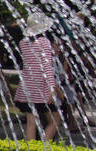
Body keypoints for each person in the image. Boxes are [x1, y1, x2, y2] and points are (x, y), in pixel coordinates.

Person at [13, 13, 63, 141]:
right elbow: (47, 67)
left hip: (27, 87)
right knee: (55, 121)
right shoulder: (44, 42)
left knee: (31, 122)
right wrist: (52, 88)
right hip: (42, 88)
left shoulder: (23, 43)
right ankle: (44, 149)